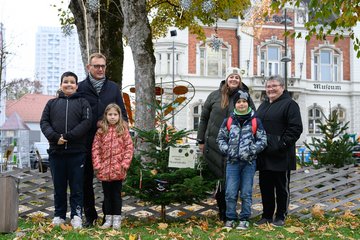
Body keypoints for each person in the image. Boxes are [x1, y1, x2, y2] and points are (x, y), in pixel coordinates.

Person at [78, 53, 128, 227]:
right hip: (86, 141)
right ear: (88, 67)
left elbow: (121, 111)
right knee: (85, 181)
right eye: (96, 66)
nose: (100, 69)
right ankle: (90, 217)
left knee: (110, 183)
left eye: (103, 66)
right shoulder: (80, 87)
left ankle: (110, 216)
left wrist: (125, 131)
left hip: (108, 143)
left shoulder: (113, 87)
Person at [196, 72, 255, 222]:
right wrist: (201, 140)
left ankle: (234, 214)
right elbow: (203, 118)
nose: (234, 79)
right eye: (231, 76)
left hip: (237, 148)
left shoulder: (245, 97)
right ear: (226, 79)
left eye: (237, 77)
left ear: (240, 80)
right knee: (219, 181)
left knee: (234, 181)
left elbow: (254, 120)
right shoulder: (214, 96)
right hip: (215, 145)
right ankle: (223, 213)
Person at [40, 71, 92, 229]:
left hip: (77, 154)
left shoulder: (84, 103)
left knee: (77, 187)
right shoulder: (51, 103)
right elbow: (44, 123)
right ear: (60, 85)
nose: (69, 84)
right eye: (66, 81)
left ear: (77, 86)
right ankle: (59, 216)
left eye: (72, 82)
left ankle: (76, 216)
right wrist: (56, 138)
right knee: (59, 187)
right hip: (57, 153)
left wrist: (68, 136)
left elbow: (86, 123)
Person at [255, 75, 303, 227]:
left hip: (281, 155)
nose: (270, 89)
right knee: (266, 187)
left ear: (282, 87)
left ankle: (281, 216)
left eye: (274, 86)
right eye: (268, 86)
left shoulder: (290, 104)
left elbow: (295, 129)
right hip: (264, 155)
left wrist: (280, 144)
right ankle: (267, 216)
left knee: (281, 189)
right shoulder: (262, 105)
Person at [217, 90, 267, 230]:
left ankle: (244, 218)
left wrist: (251, 150)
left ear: (248, 103)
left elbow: (262, 140)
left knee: (246, 193)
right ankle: (230, 218)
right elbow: (220, 139)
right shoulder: (228, 121)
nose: (241, 104)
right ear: (235, 105)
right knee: (230, 193)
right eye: (239, 102)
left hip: (248, 164)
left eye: (244, 101)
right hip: (232, 163)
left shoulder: (255, 121)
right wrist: (228, 150)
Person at [92, 103, 134, 230]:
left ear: (119, 116)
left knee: (116, 195)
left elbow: (129, 148)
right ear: (106, 115)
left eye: (115, 114)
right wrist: (98, 164)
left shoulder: (123, 130)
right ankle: (108, 219)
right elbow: (95, 148)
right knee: (107, 196)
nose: (112, 117)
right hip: (104, 170)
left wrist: (124, 164)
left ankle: (117, 219)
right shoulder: (101, 131)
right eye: (110, 114)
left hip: (118, 169)